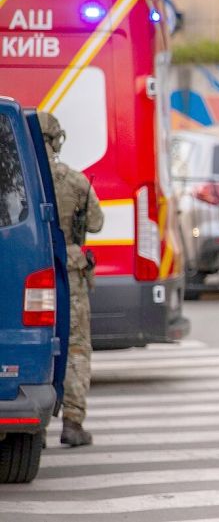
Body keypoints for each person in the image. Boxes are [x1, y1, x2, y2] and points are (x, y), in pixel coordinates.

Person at [39, 112, 105, 447]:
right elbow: (95, 223)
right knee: (76, 348)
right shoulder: (75, 181)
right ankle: (73, 422)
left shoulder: (20, 176)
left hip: (31, 271)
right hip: (70, 275)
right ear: (56, 140)